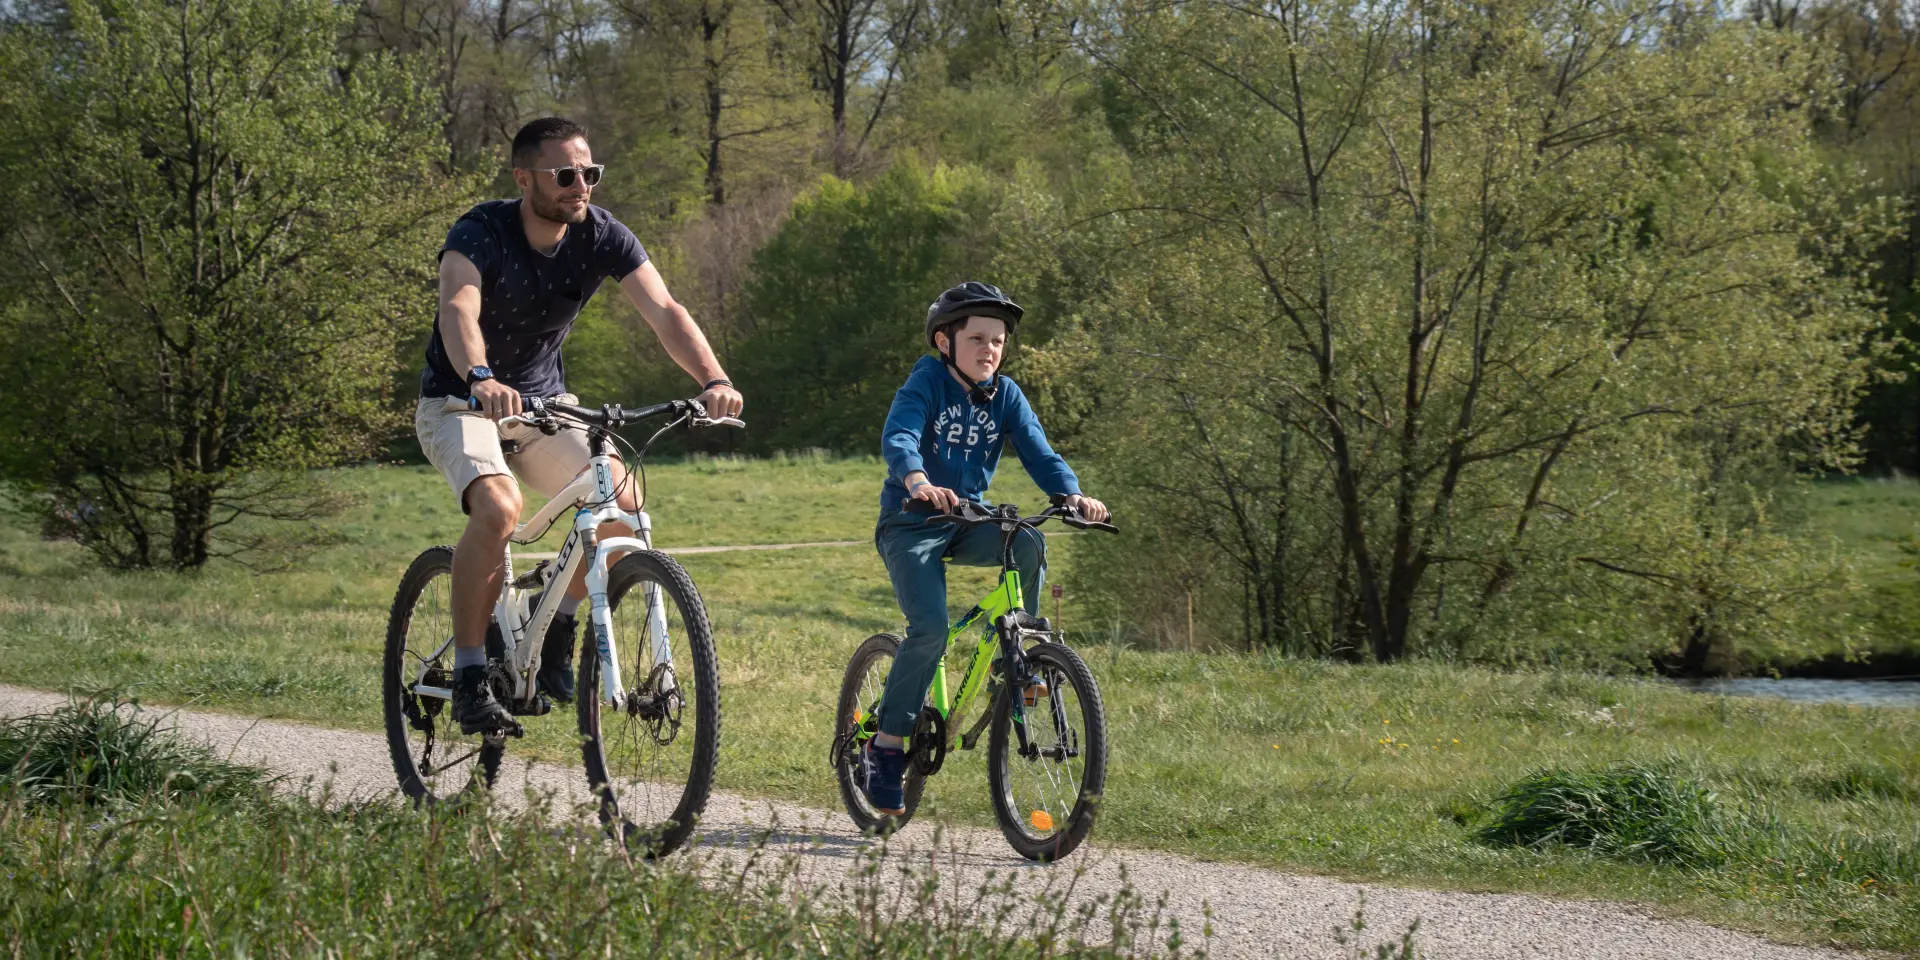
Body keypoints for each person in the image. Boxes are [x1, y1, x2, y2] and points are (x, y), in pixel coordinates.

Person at [414, 116, 743, 735]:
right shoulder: (480, 231)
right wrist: (481, 375)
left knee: (622, 504)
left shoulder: (602, 235)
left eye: (589, 173)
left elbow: (665, 311)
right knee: (498, 507)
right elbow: (459, 303)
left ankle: (560, 624)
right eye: (565, 174)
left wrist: (715, 380)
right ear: (524, 177)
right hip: (461, 401)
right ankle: (468, 673)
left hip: (543, 403)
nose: (580, 186)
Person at [859, 281, 1109, 815]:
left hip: (969, 517)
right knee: (928, 629)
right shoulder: (927, 380)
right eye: (977, 339)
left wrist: (1071, 493)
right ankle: (886, 748)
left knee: (1029, 542)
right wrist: (918, 480)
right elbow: (898, 435)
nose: (989, 350)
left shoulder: (1007, 395)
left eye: (997, 341)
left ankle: (1017, 668)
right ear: (946, 342)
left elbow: (1039, 451)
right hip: (912, 522)